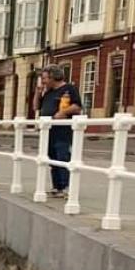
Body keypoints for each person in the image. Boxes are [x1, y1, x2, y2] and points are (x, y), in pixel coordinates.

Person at [37, 65, 83, 196]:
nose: (43, 81)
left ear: (53, 77)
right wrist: (38, 92)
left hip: (62, 130)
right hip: (48, 129)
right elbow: (36, 106)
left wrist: (63, 112)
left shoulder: (69, 89)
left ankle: (65, 186)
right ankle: (56, 186)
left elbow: (77, 106)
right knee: (51, 156)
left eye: (45, 78)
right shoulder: (48, 92)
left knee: (62, 156)